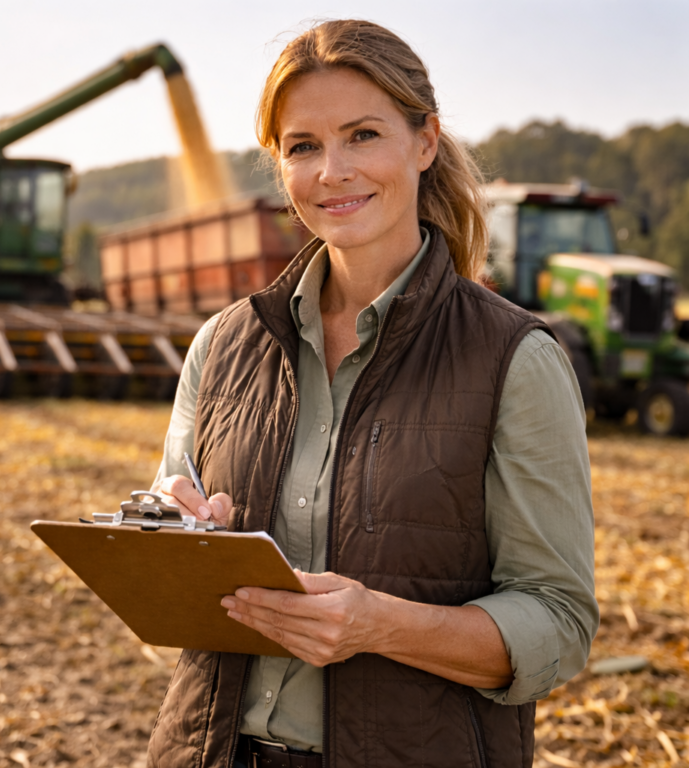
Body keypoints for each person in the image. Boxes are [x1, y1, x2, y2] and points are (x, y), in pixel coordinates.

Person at [147, 19, 598, 768]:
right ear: (279, 165)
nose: (332, 171)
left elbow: (557, 622)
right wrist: (170, 529)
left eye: (362, 135)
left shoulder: (514, 359)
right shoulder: (224, 344)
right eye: (303, 147)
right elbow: (168, 521)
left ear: (425, 142)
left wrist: (376, 626)